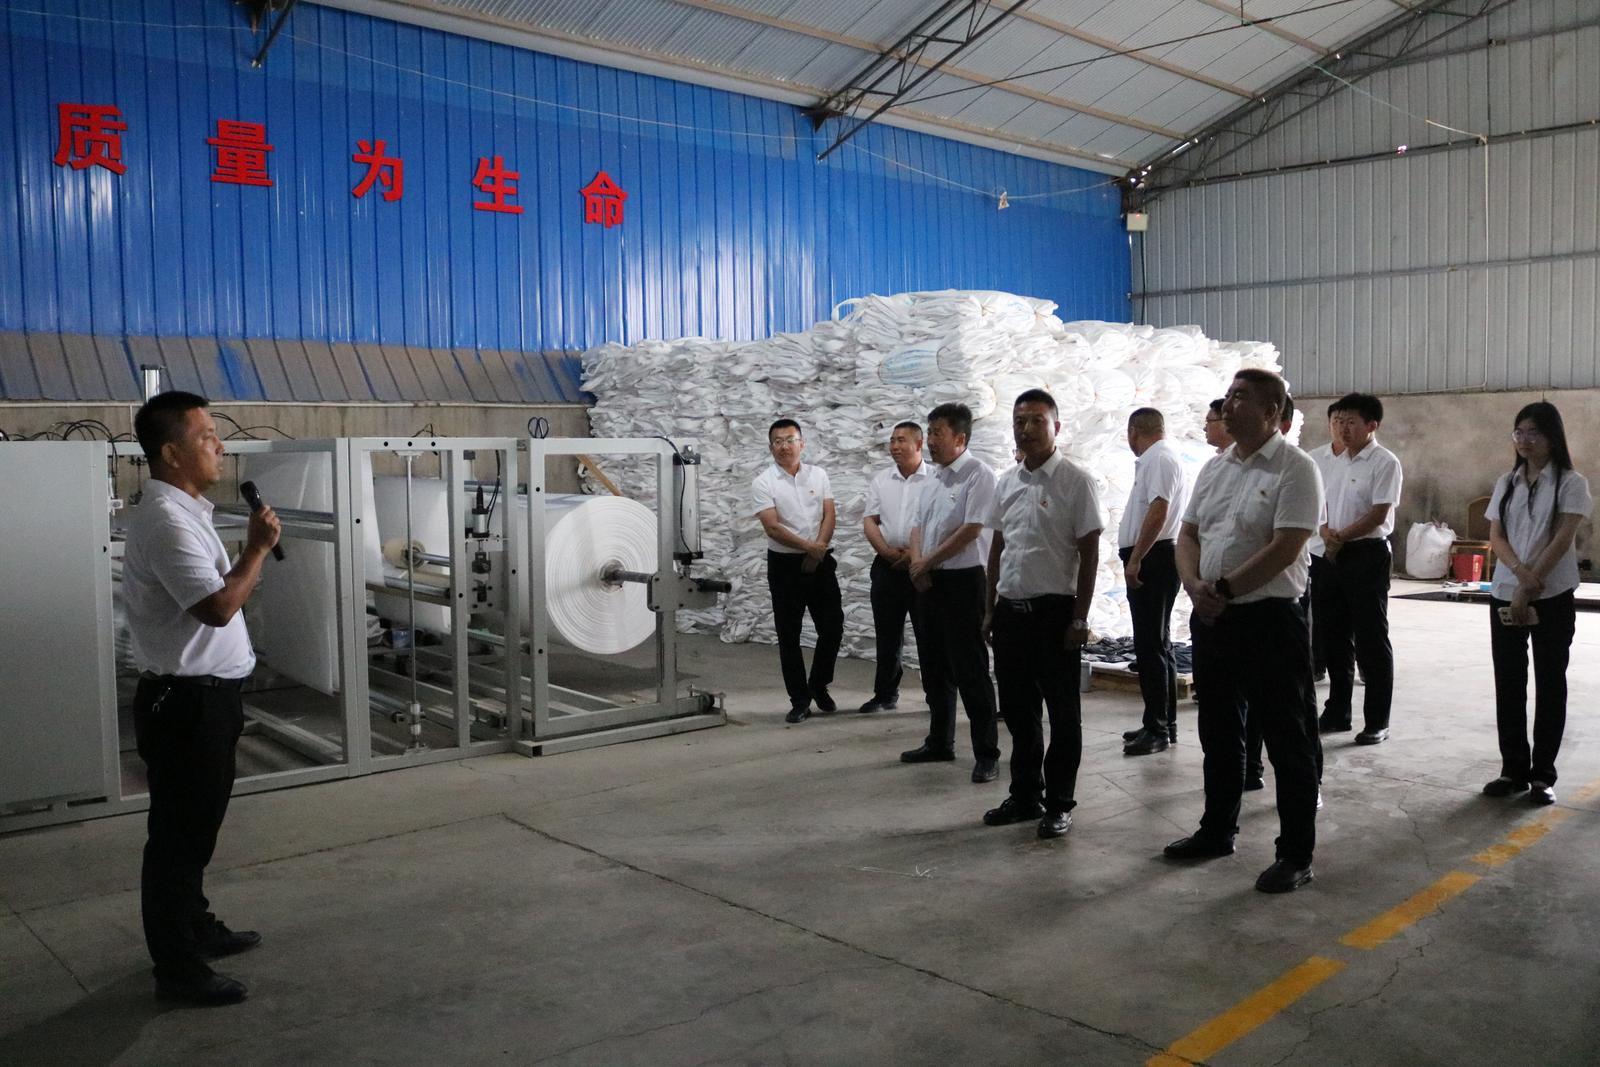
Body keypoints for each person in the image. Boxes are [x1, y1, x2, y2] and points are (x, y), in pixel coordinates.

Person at [123, 391, 281, 1004]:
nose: (219, 444)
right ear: (171, 452)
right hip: (187, 705)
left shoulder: (186, 511)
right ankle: (177, 969)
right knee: (178, 840)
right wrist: (257, 549)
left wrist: (248, 555)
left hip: (206, 700)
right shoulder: (166, 521)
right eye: (206, 435)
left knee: (195, 832)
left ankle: (194, 927)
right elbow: (216, 608)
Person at [1165, 369, 1324, 894]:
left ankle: (1295, 854)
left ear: (1273, 412)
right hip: (1213, 618)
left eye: (1240, 398)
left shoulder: (1296, 468)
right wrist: (1195, 586)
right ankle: (1217, 830)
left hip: (1270, 621)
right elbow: (1188, 534)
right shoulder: (1215, 468)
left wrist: (1225, 589)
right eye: (1229, 396)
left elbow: (1286, 546)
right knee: (1218, 732)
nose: (1228, 405)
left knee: (1287, 739)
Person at [981, 390, 1104, 835]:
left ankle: (1059, 803)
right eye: (1020, 421)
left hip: (1055, 615)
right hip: (1011, 614)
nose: (1026, 428)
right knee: (1019, 712)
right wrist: (990, 608)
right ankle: (1025, 795)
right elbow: (997, 548)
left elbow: (1089, 554)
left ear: (1056, 427)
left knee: (1063, 715)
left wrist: (1080, 618)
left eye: (1036, 420)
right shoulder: (1007, 482)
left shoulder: (1076, 481)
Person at [1483, 402, 1591, 805]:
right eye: (1519, 432)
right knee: (1509, 683)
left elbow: (1563, 538)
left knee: (1550, 682)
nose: (1525, 440)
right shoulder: (1506, 482)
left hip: (1552, 594)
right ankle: (1513, 770)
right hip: (1504, 591)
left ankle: (1543, 775)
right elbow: (1496, 536)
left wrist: (1530, 583)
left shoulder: (1571, 483)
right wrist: (1518, 575)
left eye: (1534, 432)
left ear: (1552, 438)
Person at [904, 402, 1002, 782]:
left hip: (964, 582)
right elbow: (917, 525)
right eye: (929, 433)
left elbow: (972, 529)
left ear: (960, 438)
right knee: (933, 666)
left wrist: (926, 562)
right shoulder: (933, 479)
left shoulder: (979, 475)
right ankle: (939, 741)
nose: (930, 441)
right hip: (929, 582)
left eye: (937, 434)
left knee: (970, 669)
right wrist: (918, 564)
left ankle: (987, 753)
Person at [1315, 393, 1402, 744]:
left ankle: (1377, 720)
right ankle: (1337, 711)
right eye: (1338, 421)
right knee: (1333, 637)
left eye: (1351, 422)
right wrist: (1325, 533)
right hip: (1327, 554)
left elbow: (1379, 514)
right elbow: (1315, 505)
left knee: (1370, 638)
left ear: (1371, 425)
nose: (1343, 428)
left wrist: (1341, 537)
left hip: (1366, 555)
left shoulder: (1384, 462)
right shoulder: (1322, 459)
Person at [752, 418, 843, 724]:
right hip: (785, 566)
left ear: (802, 444)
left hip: (820, 560)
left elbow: (829, 514)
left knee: (833, 627)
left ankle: (818, 683)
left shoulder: (818, 475)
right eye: (778, 441)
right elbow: (772, 527)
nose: (784, 446)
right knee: (789, 635)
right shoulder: (763, 482)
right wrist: (809, 548)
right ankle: (800, 699)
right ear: (771, 448)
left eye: (790, 440)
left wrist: (818, 549)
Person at [1119, 407, 1188, 755]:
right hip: (1153, 556)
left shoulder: (1159, 458)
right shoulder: (1158, 458)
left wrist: (1136, 558)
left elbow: (1159, 509)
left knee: (1151, 646)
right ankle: (1161, 722)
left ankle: (1158, 729)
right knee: (1157, 644)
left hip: (1153, 558)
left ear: (1134, 430)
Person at [860, 421, 934, 713]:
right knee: (887, 634)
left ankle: (936, 695)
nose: (894, 446)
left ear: (919, 444)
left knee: (928, 635)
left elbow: (940, 524)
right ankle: (885, 694)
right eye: (892, 440)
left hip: (923, 566)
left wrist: (915, 556)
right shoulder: (882, 480)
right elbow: (870, 520)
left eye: (901, 440)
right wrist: (888, 554)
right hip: (887, 566)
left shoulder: (935, 479)